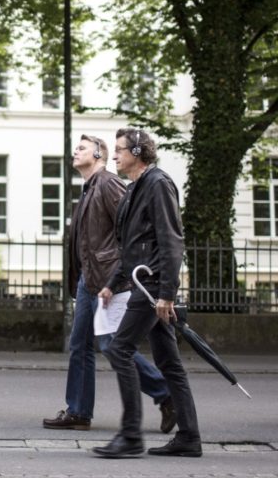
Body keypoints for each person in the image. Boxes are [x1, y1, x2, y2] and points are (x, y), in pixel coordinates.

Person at [43, 135, 175, 433]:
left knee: (112, 345)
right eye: (75, 148)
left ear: (99, 154)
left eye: (82, 148)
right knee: (80, 345)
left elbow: (131, 230)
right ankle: (78, 411)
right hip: (89, 280)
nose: (75, 152)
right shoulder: (90, 187)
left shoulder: (108, 183)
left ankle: (166, 394)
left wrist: (118, 278)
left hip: (109, 280)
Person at [93, 128, 201, 459]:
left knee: (120, 350)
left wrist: (167, 293)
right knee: (169, 362)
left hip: (152, 287)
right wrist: (113, 282)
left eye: (120, 150)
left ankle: (131, 437)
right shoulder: (134, 188)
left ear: (138, 152)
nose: (115, 156)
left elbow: (171, 240)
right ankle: (189, 437)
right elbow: (132, 247)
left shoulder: (157, 183)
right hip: (143, 283)